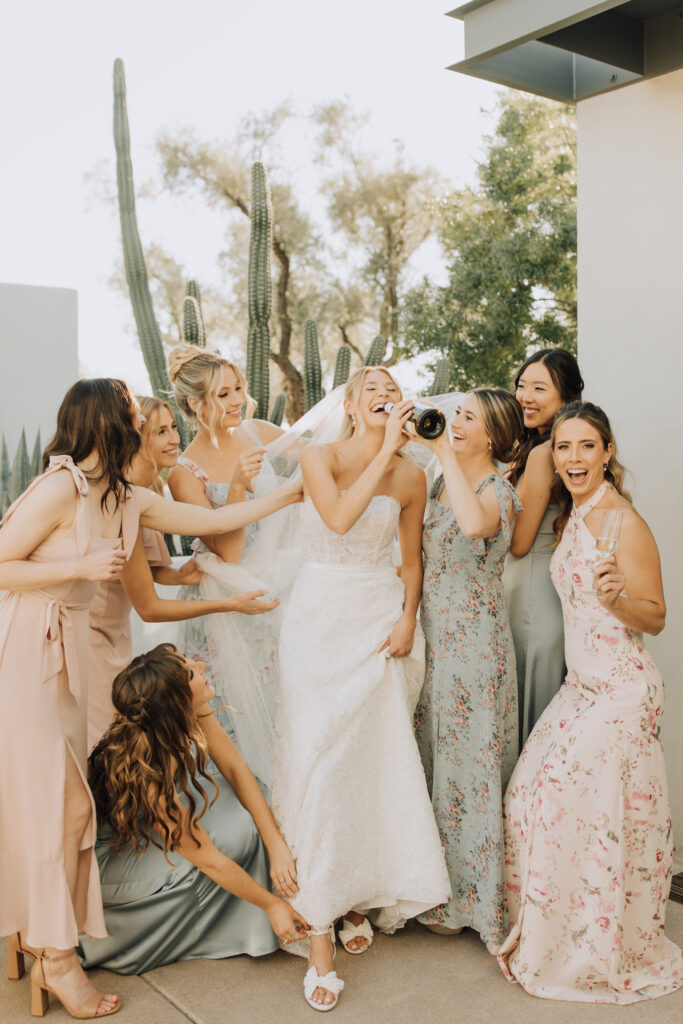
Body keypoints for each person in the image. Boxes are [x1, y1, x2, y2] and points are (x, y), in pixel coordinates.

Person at [0, 378, 301, 1020]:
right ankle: (56, 959)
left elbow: (216, 521)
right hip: (31, 647)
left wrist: (292, 492)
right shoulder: (59, 488)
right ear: (106, 423)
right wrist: (75, 569)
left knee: (75, 810)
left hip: (74, 651)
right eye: (134, 415)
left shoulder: (126, 497)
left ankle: (49, 939)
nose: (141, 423)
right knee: (61, 807)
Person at [272, 367, 451, 1012]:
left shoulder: (411, 476)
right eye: (370, 387)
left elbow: (410, 559)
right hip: (318, 623)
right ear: (349, 405)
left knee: (365, 768)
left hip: (380, 624)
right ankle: (319, 925)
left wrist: (407, 618)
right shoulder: (319, 457)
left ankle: (355, 895)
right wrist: (381, 449)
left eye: (391, 387)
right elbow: (342, 520)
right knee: (319, 767)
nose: (383, 392)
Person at [498, 401, 683, 1003]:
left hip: (623, 690)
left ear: (606, 453)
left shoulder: (624, 522)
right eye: (563, 447)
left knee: (565, 804)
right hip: (581, 688)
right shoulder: (574, 516)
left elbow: (653, 617)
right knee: (526, 790)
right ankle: (548, 934)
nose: (573, 458)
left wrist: (616, 599)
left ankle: (591, 949)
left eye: (586, 447)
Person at [80, 643, 309, 973]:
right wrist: (272, 904)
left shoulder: (190, 708)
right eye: (190, 673)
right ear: (174, 704)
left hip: (148, 825)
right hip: (111, 861)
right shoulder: (148, 773)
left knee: (247, 817)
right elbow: (208, 858)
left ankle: (248, 906)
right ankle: (123, 937)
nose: (201, 666)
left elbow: (235, 769)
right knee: (229, 843)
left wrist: (275, 844)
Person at [87, 395, 278, 750]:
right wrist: (229, 604)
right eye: (160, 432)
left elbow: (151, 566)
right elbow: (150, 608)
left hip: (116, 629)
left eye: (173, 426)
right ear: (134, 438)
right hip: (92, 631)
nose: (174, 439)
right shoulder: (122, 498)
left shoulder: (153, 486)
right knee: (101, 737)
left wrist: (179, 575)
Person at [413, 389, 523, 952]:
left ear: (495, 438)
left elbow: (476, 526)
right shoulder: (438, 478)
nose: (455, 423)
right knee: (438, 758)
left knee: (468, 766)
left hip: (475, 647)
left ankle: (472, 902)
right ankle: (436, 887)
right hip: (436, 639)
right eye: (456, 413)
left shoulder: (497, 490)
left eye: (469, 418)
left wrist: (443, 455)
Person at [168, 346, 290, 787]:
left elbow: (319, 452)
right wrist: (237, 485)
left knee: (286, 708)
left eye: (238, 388)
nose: (238, 399)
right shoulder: (185, 474)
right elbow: (228, 554)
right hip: (225, 605)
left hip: (277, 589)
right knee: (239, 717)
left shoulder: (257, 431)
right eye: (223, 394)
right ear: (195, 404)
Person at [503, 347, 584, 746]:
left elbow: (518, 543)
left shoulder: (541, 454)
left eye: (539, 387)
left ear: (566, 398)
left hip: (530, 596)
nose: (525, 396)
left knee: (529, 715)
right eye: (521, 385)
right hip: (546, 594)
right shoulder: (559, 447)